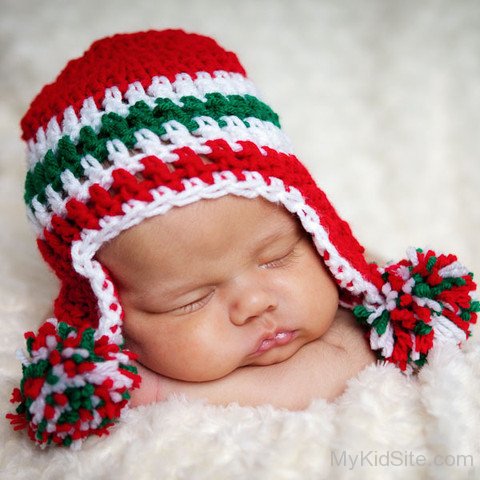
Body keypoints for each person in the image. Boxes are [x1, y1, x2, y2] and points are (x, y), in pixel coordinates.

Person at [7, 29, 478, 449]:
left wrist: (166, 392)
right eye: (189, 299)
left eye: (276, 257)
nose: (254, 303)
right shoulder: (103, 374)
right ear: (108, 317)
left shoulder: (358, 294)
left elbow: (348, 354)